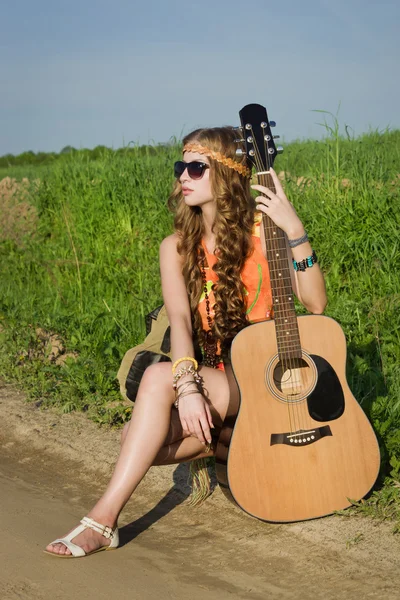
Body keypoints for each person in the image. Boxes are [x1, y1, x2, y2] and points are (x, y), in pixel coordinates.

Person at [45, 126, 327, 557]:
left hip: (271, 375)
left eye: (197, 168)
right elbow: (179, 320)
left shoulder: (264, 234)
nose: (184, 176)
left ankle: (102, 521)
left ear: (228, 177)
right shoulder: (176, 247)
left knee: (150, 403)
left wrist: (295, 231)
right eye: (181, 166)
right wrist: (189, 387)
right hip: (218, 373)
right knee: (135, 443)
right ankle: (227, 439)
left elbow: (316, 303)